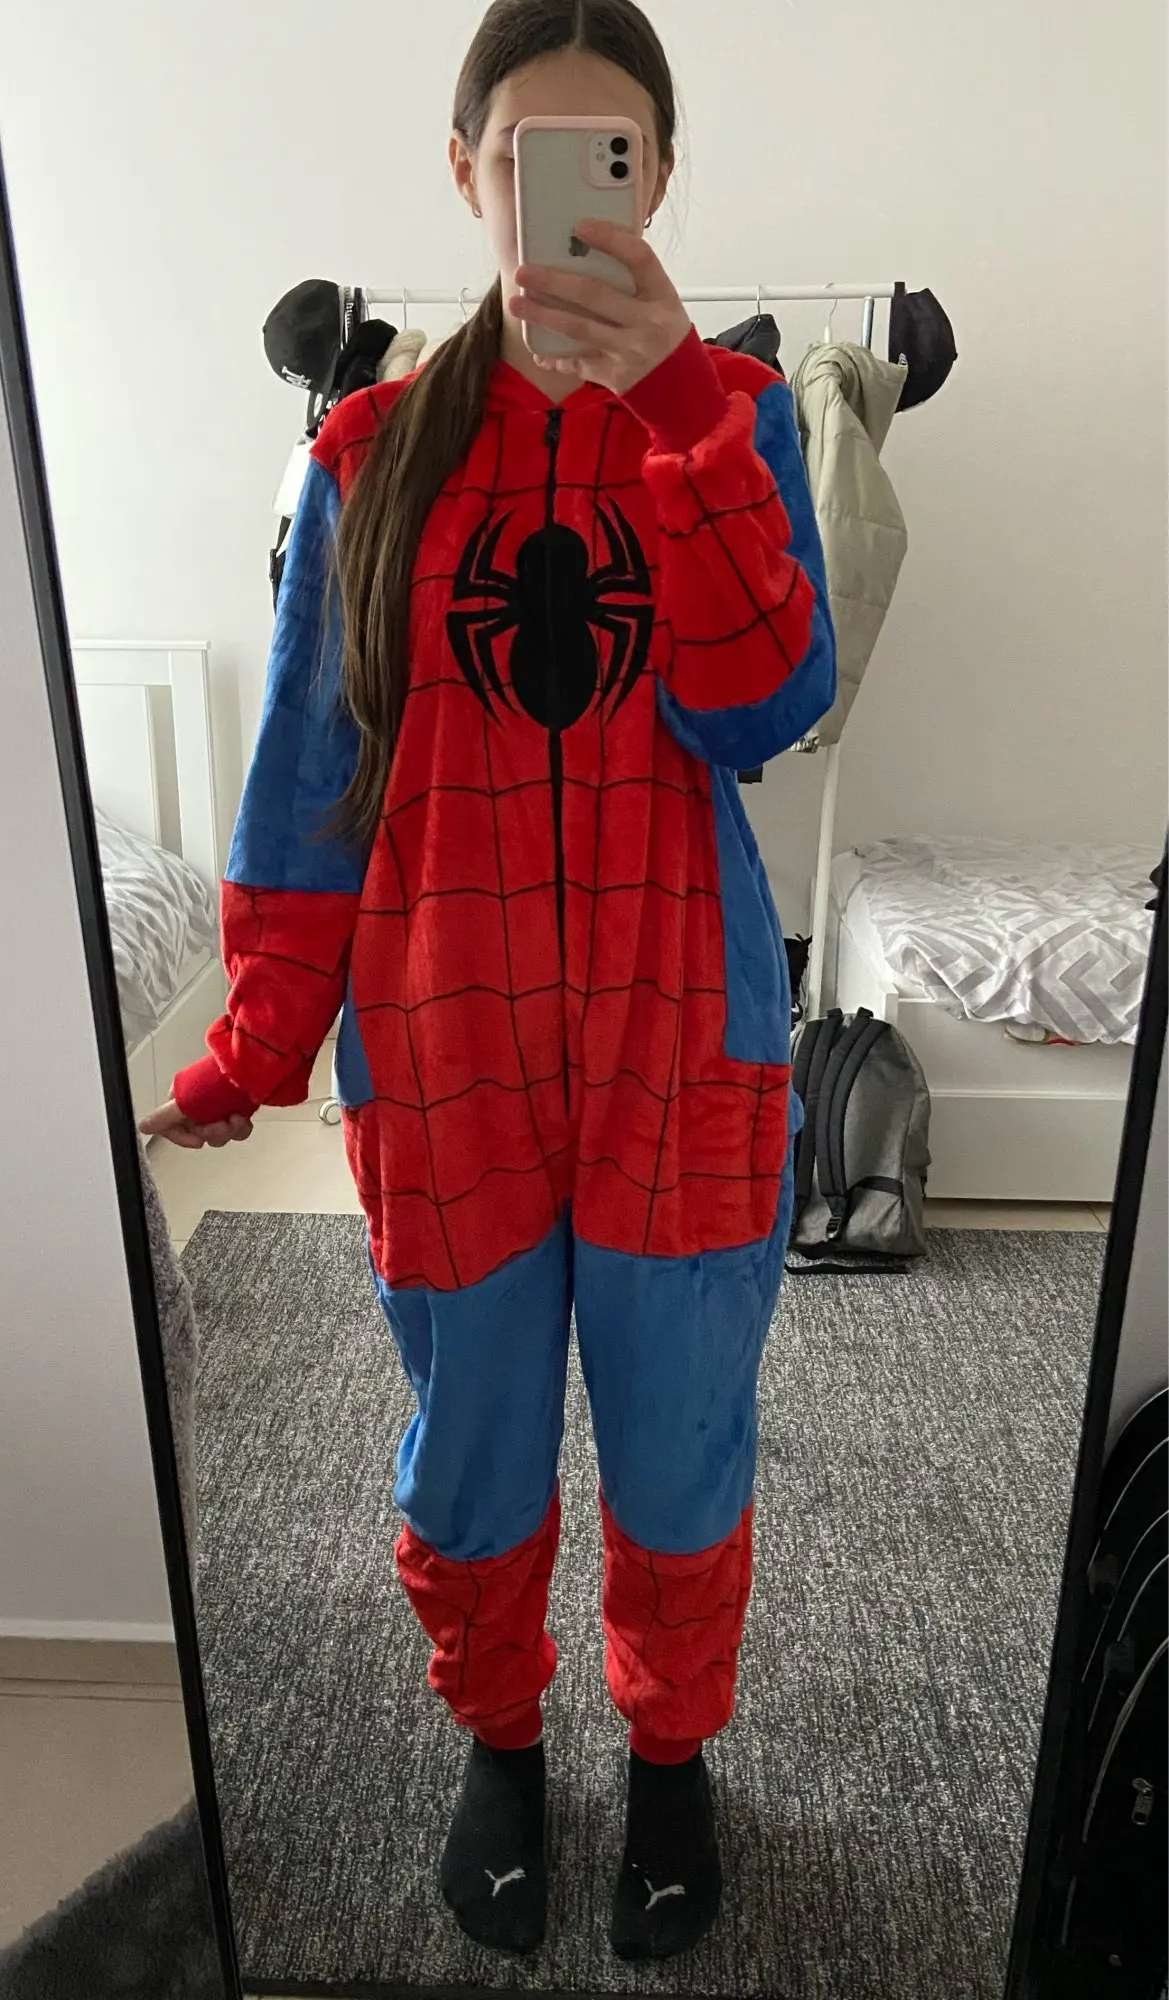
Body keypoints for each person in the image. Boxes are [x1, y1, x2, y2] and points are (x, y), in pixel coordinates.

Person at [142, 0, 834, 1963]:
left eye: (609, 158)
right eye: (527, 155)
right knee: (472, 1440)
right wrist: (258, 1033)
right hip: (442, 1039)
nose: (566, 196)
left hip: (677, 1026)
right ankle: (498, 1740)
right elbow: (307, 773)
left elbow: (766, 701)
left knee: (678, 1433)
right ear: (467, 172)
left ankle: (673, 1755)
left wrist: (680, 417)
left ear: (656, 178)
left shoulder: (739, 416)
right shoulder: (366, 455)